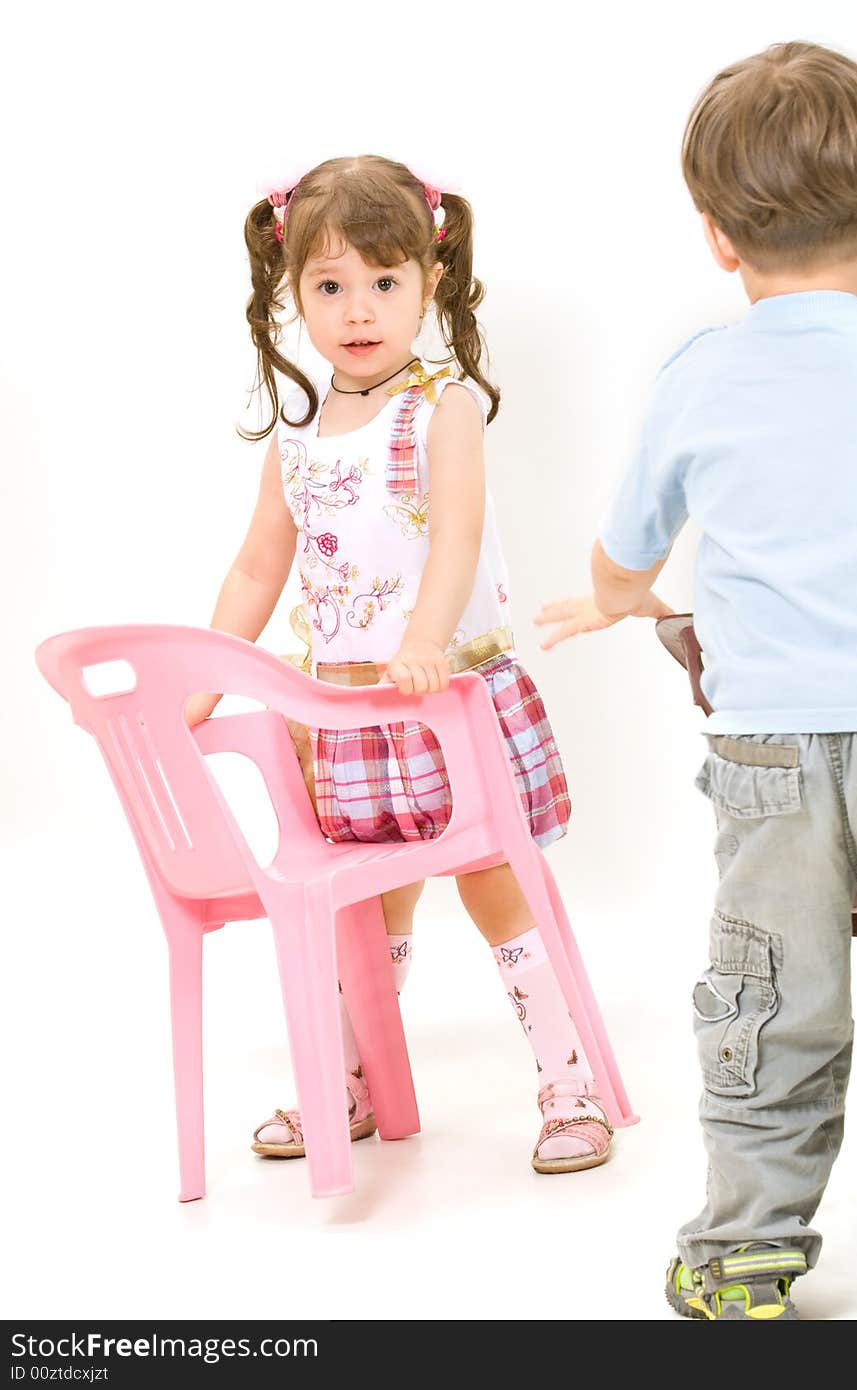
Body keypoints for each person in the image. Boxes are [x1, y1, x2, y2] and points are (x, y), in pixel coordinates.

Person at [187, 154, 631, 1173]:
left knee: (490, 884)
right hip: (345, 715)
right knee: (366, 902)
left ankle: (566, 1084)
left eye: (384, 282)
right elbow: (261, 564)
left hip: (446, 698)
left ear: (430, 284)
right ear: (288, 295)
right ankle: (353, 1079)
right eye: (329, 285)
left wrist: (424, 638)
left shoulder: (443, 410)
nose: (358, 308)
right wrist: (209, 674)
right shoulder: (297, 440)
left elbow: (456, 538)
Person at [536, 42, 857, 1318]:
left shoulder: (701, 371)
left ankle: (744, 1254)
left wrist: (624, 603)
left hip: (769, 763)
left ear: (718, 239)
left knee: (769, 1004)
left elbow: (622, 553)